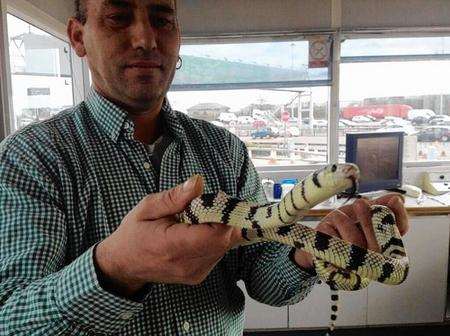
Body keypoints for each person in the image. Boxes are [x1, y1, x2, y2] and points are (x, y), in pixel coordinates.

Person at [0, 0, 409, 335]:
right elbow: (10, 320)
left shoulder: (224, 149)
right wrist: (116, 269)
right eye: (118, 17)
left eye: (162, 19)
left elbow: (264, 276)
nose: (145, 38)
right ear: (78, 36)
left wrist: (312, 250)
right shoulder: (29, 159)